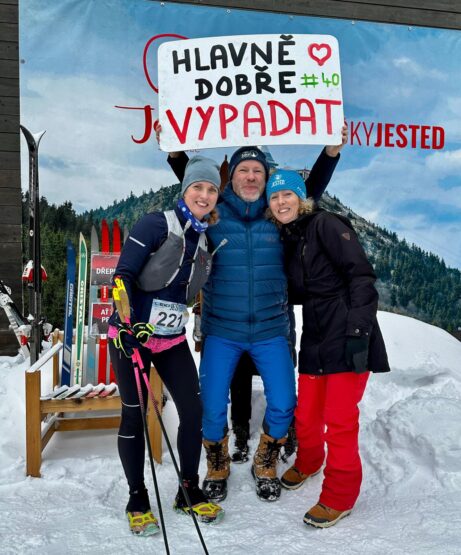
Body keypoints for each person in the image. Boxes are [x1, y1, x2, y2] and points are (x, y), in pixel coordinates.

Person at [161, 128, 345, 502]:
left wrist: (330, 152)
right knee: (211, 405)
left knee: (284, 402)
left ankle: (265, 460)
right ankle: (217, 464)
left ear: (266, 177)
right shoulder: (215, 212)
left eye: (257, 171)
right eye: (243, 170)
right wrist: (175, 151)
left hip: (271, 329)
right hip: (222, 330)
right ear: (231, 178)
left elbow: (311, 191)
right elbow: (193, 185)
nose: (249, 177)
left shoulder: (278, 213)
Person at [265, 168, 390, 527]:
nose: (281, 202)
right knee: (307, 413)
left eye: (287, 195)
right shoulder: (292, 236)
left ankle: (340, 495)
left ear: (301, 199)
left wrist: (358, 330)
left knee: (339, 421)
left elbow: (361, 276)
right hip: (316, 334)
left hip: (348, 332)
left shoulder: (326, 224)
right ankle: (309, 462)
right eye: (275, 197)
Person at [108, 156, 225, 536]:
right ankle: (137, 497)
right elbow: (122, 276)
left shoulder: (205, 240)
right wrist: (126, 322)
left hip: (171, 341)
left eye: (211, 189)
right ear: (185, 189)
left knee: (194, 411)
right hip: (132, 338)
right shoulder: (156, 224)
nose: (204, 195)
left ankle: (187, 490)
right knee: (135, 414)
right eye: (198, 187)